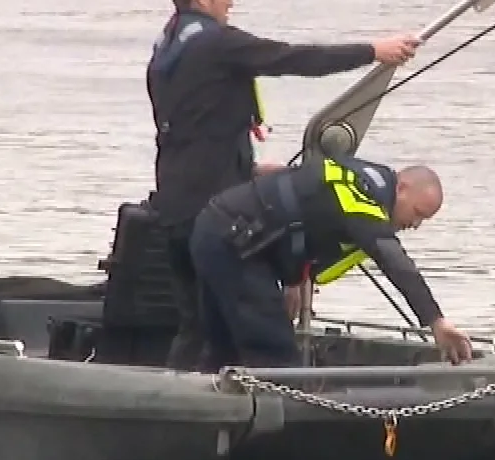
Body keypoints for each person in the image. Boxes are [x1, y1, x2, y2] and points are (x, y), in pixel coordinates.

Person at [146, 0, 421, 370]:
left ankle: (173, 410)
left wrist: (250, 172)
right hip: (215, 212)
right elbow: (290, 58)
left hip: (173, 201)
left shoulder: (167, 50)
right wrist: (373, 51)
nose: (230, 2)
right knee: (239, 326)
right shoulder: (217, 44)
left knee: (195, 326)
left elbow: (194, 129)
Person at [187, 154, 475, 369]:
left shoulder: (356, 178)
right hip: (233, 244)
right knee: (275, 354)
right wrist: (435, 321)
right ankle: (286, 440)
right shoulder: (362, 197)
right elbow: (392, 258)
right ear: (402, 187)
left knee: (221, 348)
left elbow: (308, 220)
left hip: (221, 232)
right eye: (417, 213)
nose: (415, 224)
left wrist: (295, 279)